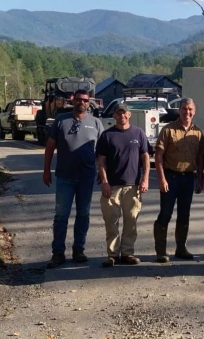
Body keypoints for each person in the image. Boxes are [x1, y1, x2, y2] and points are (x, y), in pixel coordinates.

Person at [43, 88, 104, 269]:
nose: (82, 103)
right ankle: (58, 253)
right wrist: (46, 170)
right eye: (78, 99)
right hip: (64, 177)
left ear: (89, 102)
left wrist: (102, 171)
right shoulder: (61, 121)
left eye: (85, 100)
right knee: (61, 216)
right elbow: (50, 147)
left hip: (86, 178)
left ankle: (79, 250)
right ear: (73, 100)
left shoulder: (96, 123)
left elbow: (101, 152)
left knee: (83, 215)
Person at [96, 102, 150, 267]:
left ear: (129, 115)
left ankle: (127, 253)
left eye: (124, 113)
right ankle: (112, 255)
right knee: (111, 222)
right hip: (111, 187)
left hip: (132, 186)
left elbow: (145, 158)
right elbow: (101, 161)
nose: (122, 116)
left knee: (131, 221)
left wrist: (145, 179)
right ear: (114, 116)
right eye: (118, 113)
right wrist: (104, 181)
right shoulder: (107, 136)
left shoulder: (138, 134)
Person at [154, 98, 204, 263]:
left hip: (188, 178)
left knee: (184, 215)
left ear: (194, 111)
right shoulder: (168, 130)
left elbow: (200, 157)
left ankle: (181, 248)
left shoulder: (198, 132)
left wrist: (201, 178)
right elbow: (159, 156)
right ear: (179, 110)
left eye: (190, 109)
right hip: (171, 177)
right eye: (184, 109)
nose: (187, 112)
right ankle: (161, 251)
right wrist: (161, 179)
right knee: (165, 214)